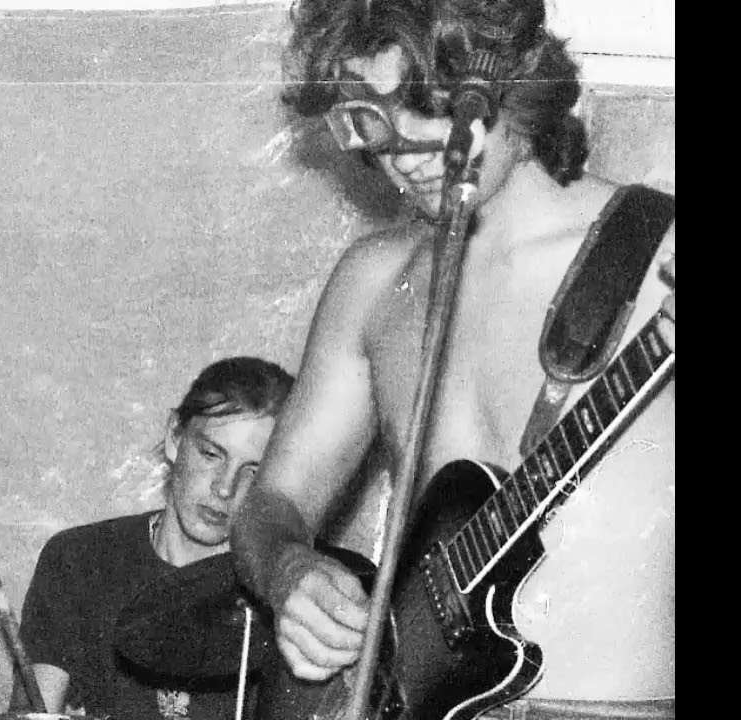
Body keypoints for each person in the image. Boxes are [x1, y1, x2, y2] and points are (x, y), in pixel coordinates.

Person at [231, 0, 674, 718]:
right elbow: (273, 503)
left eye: (425, 106)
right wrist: (289, 571)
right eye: (371, 120)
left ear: (517, 85)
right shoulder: (373, 282)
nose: (403, 153)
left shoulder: (662, 256)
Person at [10, 357, 295, 719]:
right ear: (175, 435)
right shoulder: (79, 560)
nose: (225, 488)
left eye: (253, 472)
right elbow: (34, 709)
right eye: (211, 454)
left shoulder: (285, 592)